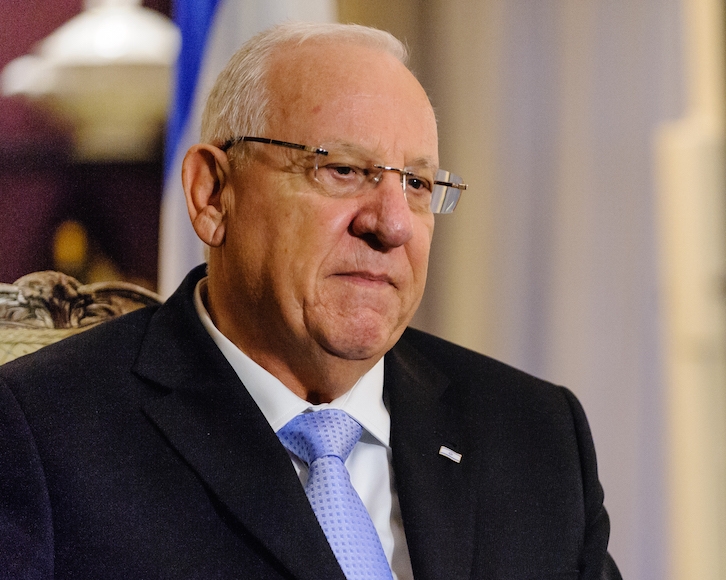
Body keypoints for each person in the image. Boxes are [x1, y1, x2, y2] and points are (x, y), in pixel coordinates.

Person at [0, 22, 620, 579]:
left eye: (419, 185)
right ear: (213, 195)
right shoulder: (42, 438)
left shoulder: (535, 437)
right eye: (344, 170)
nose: (393, 224)